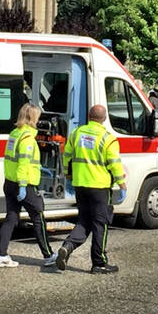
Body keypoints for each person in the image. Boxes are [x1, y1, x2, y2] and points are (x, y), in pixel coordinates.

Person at [55, 105, 126, 274]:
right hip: (100, 187)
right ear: (105, 118)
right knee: (100, 224)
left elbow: (67, 156)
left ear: (89, 116)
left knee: (84, 220)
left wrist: (68, 175)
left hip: (80, 185)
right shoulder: (108, 138)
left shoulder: (77, 133)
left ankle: (68, 246)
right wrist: (122, 184)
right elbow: (114, 164)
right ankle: (99, 263)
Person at [0, 103, 57, 268]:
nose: (39, 120)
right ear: (32, 118)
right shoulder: (28, 138)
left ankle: (0, 255)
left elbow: (14, 159)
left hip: (9, 183)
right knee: (38, 217)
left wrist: (37, 167)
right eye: (38, 117)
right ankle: (48, 255)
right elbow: (22, 162)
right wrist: (22, 185)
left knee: (11, 219)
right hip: (24, 185)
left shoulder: (15, 134)